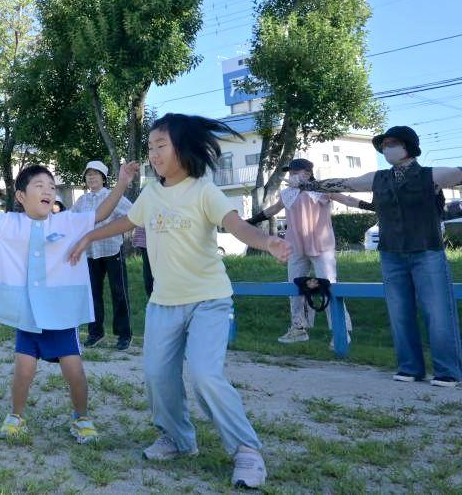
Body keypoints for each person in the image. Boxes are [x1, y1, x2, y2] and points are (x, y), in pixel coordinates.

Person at [66, 114, 290, 490]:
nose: (153, 154)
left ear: (183, 148)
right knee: (157, 375)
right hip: (164, 302)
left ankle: (247, 450)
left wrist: (268, 242)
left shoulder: (204, 190)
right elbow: (127, 223)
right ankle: (178, 438)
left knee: (205, 374)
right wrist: (89, 237)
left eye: (160, 146)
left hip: (208, 300)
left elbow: (236, 225)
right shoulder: (152, 192)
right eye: (150, 147)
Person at [0, 167, 112, 445]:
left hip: (60, 312)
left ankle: (81, 416)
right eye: (40, 185)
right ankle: (16, 415)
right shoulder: (9, 223)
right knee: (23, 368)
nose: (48, 190)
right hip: (28, 314)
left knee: (74, 369)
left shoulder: (66, 222)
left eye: (51, 186)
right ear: (21, 196)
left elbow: (101, 214)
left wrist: (121, 183)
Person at [296, 125, 462, 388]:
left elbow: (458, 173)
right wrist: (308, 185)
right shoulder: (378, 178)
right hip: (390, 254)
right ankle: (409, 367)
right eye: (383, 145)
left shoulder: (432, 175)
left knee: (438, 312)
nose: (387, 148)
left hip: (427, 251)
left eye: (392, 143)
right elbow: (345, 183)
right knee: (399, 312)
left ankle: (448, 371)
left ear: (408, 146)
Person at [247, 158, 362, 347]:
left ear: (307, 173)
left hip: (321, 246)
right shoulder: (288, 194)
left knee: (329, 288)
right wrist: (250, 222)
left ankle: (341, 331)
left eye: (294, 172)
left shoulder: (322, 190)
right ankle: (298, 328)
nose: (290, 176)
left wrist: (369, 206)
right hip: (295, 247)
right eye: (290, 173)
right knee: (294, 289)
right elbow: (272, 210)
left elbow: (346, 199)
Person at [72, 161, 135, 350]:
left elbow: (132, 213)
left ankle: (124, 335)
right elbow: (71, 219)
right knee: (93, 295)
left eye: (95, 174)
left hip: (112, 249)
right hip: (90, 253)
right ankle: (95, 333)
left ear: (103, 178)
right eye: (88, 174)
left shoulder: (113, 196)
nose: (91, 177)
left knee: (119, 293)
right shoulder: (82, 200)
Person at [133, 226, 153, 298]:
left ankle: (151, 296)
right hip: (147, 235)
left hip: (147, 236)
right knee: (149, 269)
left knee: (148, 268)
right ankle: (151, 296)